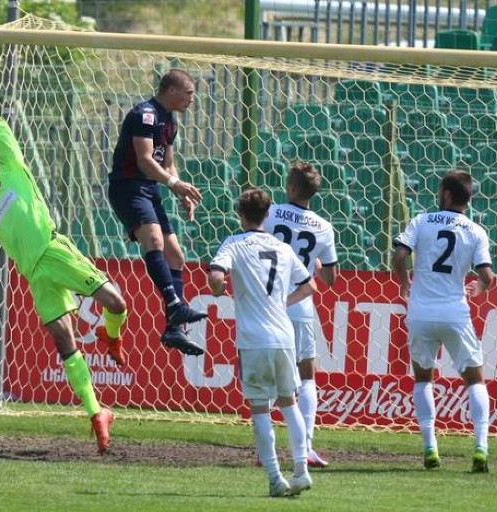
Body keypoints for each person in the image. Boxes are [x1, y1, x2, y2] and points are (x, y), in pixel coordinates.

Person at [0, 67, 128, 454]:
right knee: (64, 339)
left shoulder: (13, 169)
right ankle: (97, 413)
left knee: (116, 304)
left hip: (53, 251)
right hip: (35, 276)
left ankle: (113, 337)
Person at [207, 187, 316, 497]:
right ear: (268, 215)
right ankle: (301, 469)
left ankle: (274, 477)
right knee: (289, 402)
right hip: (284, 336)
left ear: (240, 215)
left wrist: (217, 290)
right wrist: (283, 303)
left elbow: (216, 277)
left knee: (260, 408)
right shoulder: (282, 248)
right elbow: (309, 286)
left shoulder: (234, 244)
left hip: (254, 340)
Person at [392, 170, 493, 473]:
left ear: (447, 194)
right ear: (468, 197)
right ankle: (480, 448)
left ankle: (430, 447)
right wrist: (480, 287)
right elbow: (487, 275)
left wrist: (404, 282)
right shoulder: (475, 231)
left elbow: (399, 255)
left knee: (423, 378)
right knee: (474, 380)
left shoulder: (421, 221)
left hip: (421, 312)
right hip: (454, 312)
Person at [107, 68, 207, 356]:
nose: (192, 99)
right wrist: (175, 185)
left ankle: (173, 328)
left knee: (176, 255)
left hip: (149, 190)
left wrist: (180, 194)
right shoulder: (145, 115)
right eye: (189, 93)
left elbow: (168, 163)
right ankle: (175, 305)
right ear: (172, 91)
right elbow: (145, 160)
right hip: (128, 186)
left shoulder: (170, 121)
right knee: (154, 240)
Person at [262, 161, 338, 468]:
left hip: (269, 304)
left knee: (268, 377)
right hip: (301, 306)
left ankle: (263, 451)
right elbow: (330, 280)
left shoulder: (270, 213)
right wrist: (315, 266)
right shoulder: (323, 227)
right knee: (307, 376)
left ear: (291, 187)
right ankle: (305, 447)